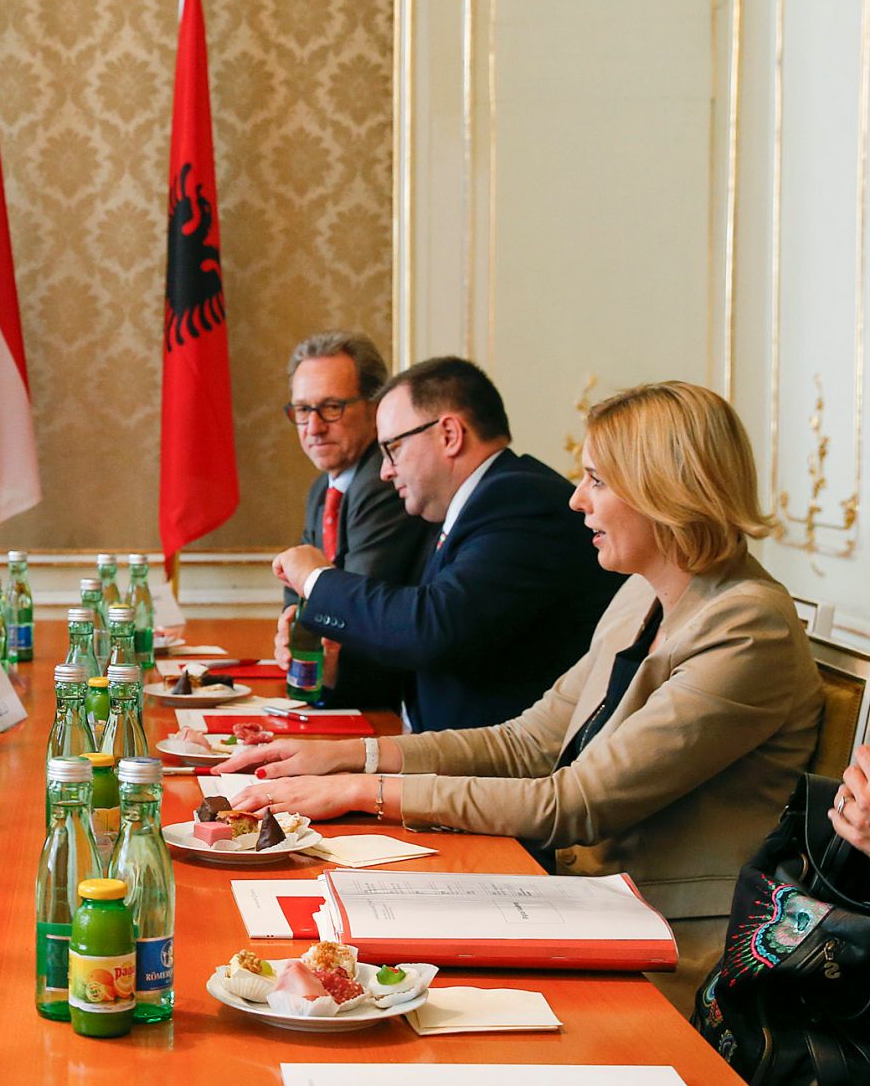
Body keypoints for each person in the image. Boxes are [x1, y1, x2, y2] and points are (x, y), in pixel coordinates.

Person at [223, 381, 822, 1008]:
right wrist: (354, 756)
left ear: (664, 490)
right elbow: (526, 742)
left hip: (680, 946)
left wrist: (356, 792)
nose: (576, 499)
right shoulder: (641, 594)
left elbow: (578, 802)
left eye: (596, 479)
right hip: (584, 906)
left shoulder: (749, 626)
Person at [276, 355, 624, 731]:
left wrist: (317, 579)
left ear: (449, 435)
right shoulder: (472, 505)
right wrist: (334, 673)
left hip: (497, 773)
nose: (385, 470)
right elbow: (431, 662)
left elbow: (432, 629)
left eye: (392, 449)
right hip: (438, 756)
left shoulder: (520, 500)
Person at [278, 332, 433, 710]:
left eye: (331, 407)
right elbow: (297, 599)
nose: (313, 427)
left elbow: (355, 616)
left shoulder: (383, 483)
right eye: (302, 410)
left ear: (374, 407)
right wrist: (291, 632)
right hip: (344, 690)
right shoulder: (323, 490)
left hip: (385, 699)